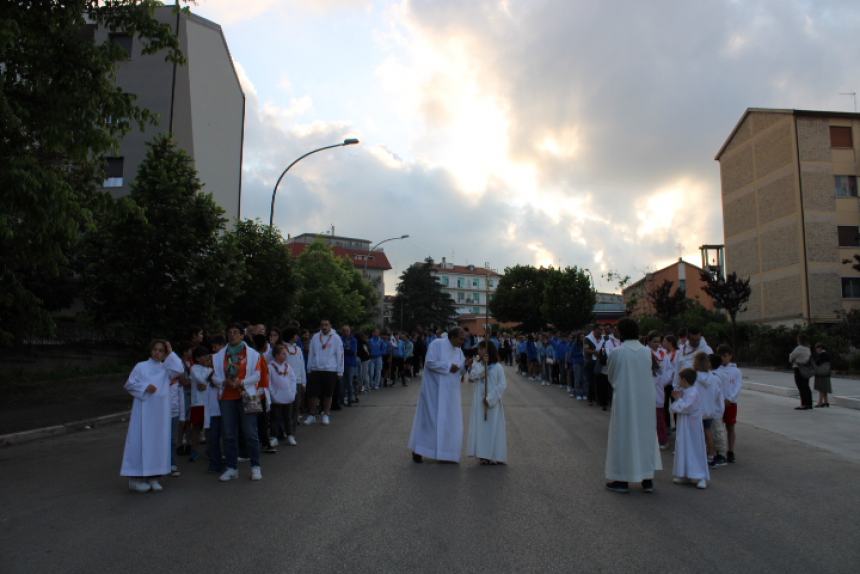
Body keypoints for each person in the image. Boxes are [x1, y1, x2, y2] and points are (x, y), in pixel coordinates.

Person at [604, 319, 663, 493]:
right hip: (645, 400)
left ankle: (622, 480)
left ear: (621, 333)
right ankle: (647, 479)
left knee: (624, 436)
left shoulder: (617, 352)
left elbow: (612, 376)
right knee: (645, 436)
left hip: (625, 399)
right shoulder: (646, 352)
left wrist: (622, 386)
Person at [120, 340, 185, 493]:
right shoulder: (141, 366)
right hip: (143, 412)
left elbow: (180, 369)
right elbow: (129, 384)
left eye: (161, 350)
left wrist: (171, 351)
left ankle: (153, 477)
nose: (157, 352)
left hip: (160, 414)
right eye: (155, 349)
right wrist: (144, 387)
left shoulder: (166, 368)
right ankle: (134, 479)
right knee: (140, 442)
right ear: (151, 351)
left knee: (157, 444)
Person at [212, 324, 263, 482]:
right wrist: (224, 382)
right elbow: (213, 376)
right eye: (230, 333)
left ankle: (255, 467)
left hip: (248, 394)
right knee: (228, 434)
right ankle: (232, 468)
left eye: (235, 333)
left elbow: (257, 375)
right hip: (227, 396)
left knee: (251, 433)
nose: (232, 335)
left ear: (242, 336)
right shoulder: (219, 355)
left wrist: (241, 382)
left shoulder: (253, 354)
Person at [408, 327, 467, 463]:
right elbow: (429, 363)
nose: (463, 342)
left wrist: (466, 366)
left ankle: (445, 454)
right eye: (461, 339)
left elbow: (460, 370)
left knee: (448, 423)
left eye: (464, 339)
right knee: (428, 422)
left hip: (450, 394)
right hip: (433, 392)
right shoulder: (436, 344)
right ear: (452, 337)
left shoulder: (459, 351)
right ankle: (418, 449)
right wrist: (448, 367)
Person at [466, 341, 507, 465]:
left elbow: (502, 384)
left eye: (481, 349)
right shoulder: (478, 365)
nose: (479, 351)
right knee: (482, 428)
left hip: (492, 403)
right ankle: (483, 455)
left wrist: (490, 398)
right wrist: (483, 367)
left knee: (493, 427)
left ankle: (495, 454)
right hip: (480, 403)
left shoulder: (498, 367)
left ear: (488, 350)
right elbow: (472, 377)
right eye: (478, 349)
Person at [670, 368, 709, 489]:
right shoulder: (685, 391)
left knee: (695, 449)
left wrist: (678, 399)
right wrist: (678, 400)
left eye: (680, 379)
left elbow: (685, 408)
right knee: (683, 447)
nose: (678, 382)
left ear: (684, 380)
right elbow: (674, 408)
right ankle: (685, 473)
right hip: (684, 426)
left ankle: (701, 476)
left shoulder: (693, 392)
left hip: (692, 427)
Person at [305, 319, 344, 426]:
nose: (324, 327)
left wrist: (340, 370)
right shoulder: (315, 337)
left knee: (328, 394)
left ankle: (326, 414)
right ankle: (312, 415)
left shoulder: (336, 338)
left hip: (330, 370)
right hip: (316, 369)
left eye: (326, 324)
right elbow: (311, 353)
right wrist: (309, 368)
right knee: (312, 394)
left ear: (330, 325)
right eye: (322, 325)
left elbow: (340, 355)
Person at [715, 344, 742, 463]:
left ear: (730, 356)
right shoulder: (715, 370)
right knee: (717, 427)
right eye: (721, 356)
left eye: (725, 356)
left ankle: (730, 451)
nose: (723, 358)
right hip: (718, 403)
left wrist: (730, 399)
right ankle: (719, 451)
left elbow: (738, 386)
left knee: (730, 427)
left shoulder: (736, 371)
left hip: (730, 403)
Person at [269, 343, 298, 446]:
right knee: (275, 418)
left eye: (285, 354)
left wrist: (292, 392)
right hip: (276, 398)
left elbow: (293, 379)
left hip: (288, 396)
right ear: (276, 355)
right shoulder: (271, 367)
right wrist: (273, 394)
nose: (285, 356)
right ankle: (274, 437)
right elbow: (268, 383)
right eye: (283, 354)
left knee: (288, 417)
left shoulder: (288, 366)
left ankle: (290, 435)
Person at [283, 327, 307, 432]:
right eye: (296, 334)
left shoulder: (298, 349)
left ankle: (292, 431)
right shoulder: (282, 348)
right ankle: (284, 429)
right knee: (287, 408)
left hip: (297, 382)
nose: (297, 336)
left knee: (296, 407)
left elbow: (302, 366)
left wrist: (303, 381)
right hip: (285, 382)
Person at [594, 325, 620, 411]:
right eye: (616, 330)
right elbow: (601, 351)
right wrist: (603, 354)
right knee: (605, 386)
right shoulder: (606, 341)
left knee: (614, 387)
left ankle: (613, 403)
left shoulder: (622, 341)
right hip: (606, 368)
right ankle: (604, 403)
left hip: (618, 368)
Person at [789, 334, 814, 410]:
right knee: (806, 386)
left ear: (799, 340)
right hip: (806, 369)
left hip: (798, 368)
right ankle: (809, 404)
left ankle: (803, 404)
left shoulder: (799, 348)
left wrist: (792, 359)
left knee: (801, 387)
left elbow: (791, 357)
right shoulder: (808, 348)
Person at [340, 325, 359, 406]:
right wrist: (346, 349)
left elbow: (353, 351)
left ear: (350, 331)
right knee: (342, 383)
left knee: (349, 382)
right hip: (341, 363)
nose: (346, 332)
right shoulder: (340, 339)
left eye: (347, 330)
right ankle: (342, 400)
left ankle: (350, 399)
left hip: (350, 363)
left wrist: (344, 350)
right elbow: (338, 350)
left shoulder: (353, 340)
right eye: (344, 331)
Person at [813, 343, 832, 408]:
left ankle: (820, 402)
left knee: (821, 388)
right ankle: (826, 402)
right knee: (824, 388)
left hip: (821, 373)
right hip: (826, 373)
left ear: (820, 348)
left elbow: (817, 363)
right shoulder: (827, 354)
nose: (816, 350)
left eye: (816, 348)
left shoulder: (822, 355)